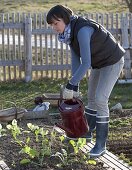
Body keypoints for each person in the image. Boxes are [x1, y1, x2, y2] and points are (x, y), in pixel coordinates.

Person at [46, 5, 125, 158]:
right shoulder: (69, 35)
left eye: (56, 23)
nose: (53, 27)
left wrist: (71, 84)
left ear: (65, 19)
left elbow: (86, 62)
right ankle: (87, 133)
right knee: (91, 99)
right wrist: (74, 83)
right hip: (99, 63)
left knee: (101, 99)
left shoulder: (82, 30)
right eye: (51, 25)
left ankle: (101, 144)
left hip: (112, 61)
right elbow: (77, 62)